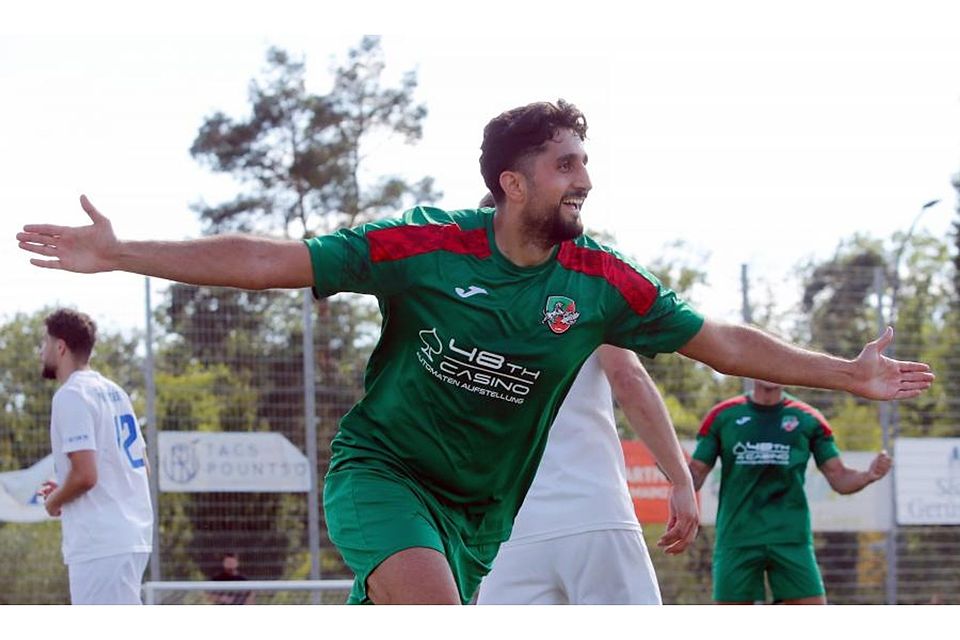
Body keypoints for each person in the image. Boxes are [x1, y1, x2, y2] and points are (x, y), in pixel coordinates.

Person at [18, 100, 932, 604]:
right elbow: (271, 261)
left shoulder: (600, 280)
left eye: (584, 162)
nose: (586, 178)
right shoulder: (424, 248)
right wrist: (124, 250)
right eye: (567, 164)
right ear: (512, 180)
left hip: (480, 511)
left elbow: (721, 343)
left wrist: (844, 372)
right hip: (384, 475)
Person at [477, 345, 697, 604]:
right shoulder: (591, 303)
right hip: (595, 514)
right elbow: (629, 378)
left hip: (512, 531)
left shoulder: (474, 308)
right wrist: (680, 479)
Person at [688, 379, 894, 605]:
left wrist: (868, 475)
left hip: (790, 538)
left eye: (778, 361)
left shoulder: (808, 418)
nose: (771, 369)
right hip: (737, 537)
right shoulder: (723, 415)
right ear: (751, 367)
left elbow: (839, 477)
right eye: (765, 361)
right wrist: (674, 470)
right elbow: (695, 475)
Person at [37, 308, 153, 604]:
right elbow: (143, 468)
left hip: (101, 543)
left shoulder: (71, 395)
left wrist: (55, 500)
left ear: (60, 347)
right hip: (130, 536)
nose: (41, 352)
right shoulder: (115, 391)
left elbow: (86, 476)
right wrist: (66, 489)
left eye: (44, 343)